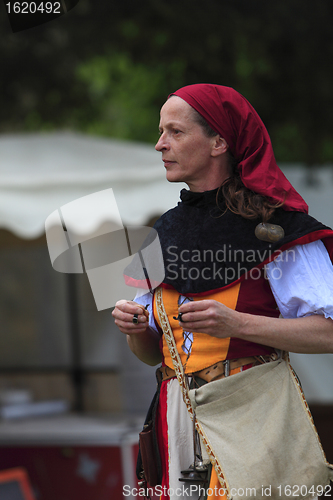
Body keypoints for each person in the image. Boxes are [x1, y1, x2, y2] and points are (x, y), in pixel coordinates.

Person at [112, 84, 333, 500]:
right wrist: (135, 329)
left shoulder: (278, 229)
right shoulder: (162, 233)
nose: (160, 145)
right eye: (161, 132)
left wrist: (235, 323)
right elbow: (149, 356)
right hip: (175, 419)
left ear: (219, 142)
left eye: (175, 132)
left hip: (254, 414)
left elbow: (329, 333)